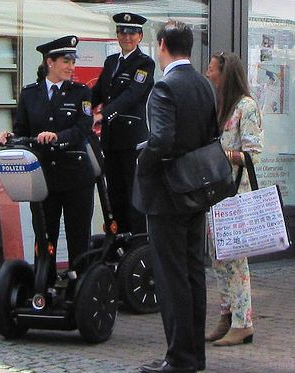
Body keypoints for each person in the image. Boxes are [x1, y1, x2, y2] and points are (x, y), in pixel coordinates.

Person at [133, 20, 217, 373]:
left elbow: (163, 140)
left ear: (163, 44)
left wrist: (143, 160)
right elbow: (210, 135)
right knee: (193, 272)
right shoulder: (203, 85)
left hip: (168, 193)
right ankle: (194, 355)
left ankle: (179, 357)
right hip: (197, 190)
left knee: (171, 277)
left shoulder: (165, 86)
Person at [0, 35, 95, 283]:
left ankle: (80, 289)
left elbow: (83, 128)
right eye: (66, 61)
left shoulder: (81, 93)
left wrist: (57, 137)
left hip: (75, 177)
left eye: (73, 61)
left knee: (78, 237)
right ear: (50, 62)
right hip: (44, 180)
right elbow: (22, 130)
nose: (72, 67)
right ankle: (44, 285)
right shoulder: (30, 94)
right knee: (44, 236)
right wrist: (10, 137)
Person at [205, 51, 263, 346]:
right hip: (217, 194)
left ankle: (244, 322)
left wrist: (221, 154)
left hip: (236, 193)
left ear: (225, 73)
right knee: (218, 259)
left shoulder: (246, 106)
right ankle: (226, 316)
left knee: (236, 260)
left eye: (212, 68)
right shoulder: (221, 105)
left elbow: (252, 154)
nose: (207, 72)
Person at [92, 12, 155, 235]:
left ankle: (137, 248)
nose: (127, 37)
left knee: (133, 195)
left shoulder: (145, 63)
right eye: (122, 32)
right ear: (117, 35)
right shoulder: (111, 62)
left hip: (131, 140)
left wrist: (104, 114)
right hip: (111, 140)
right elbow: (99, 92)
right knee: (115, 195)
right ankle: (118, 243)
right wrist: (82, 108)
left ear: (140, 36)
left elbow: (133, 94)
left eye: (132, 33)